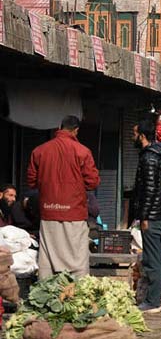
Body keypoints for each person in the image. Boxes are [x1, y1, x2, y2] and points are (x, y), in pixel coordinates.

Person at [27, 115, 100, 279]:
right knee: (77, 258)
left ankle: (47, 294)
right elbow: (93, 182)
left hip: (48, 213)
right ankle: (77, 294)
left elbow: (32, 181)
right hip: (74, 212)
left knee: (48, 258)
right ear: (76, 131)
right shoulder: (82, 151)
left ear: (59, 128)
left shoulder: (39, 151)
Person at [133, 117, 161, 314]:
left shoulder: (149, 158)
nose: (133, 137)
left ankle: (153, 301)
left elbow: (149, 190)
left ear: (142, 136)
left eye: (134, 134)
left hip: (152, 217)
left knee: (152, 260)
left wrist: (144, 217)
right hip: (158, 215)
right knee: (157, 258)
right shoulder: (158, 155)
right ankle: (156, 298)